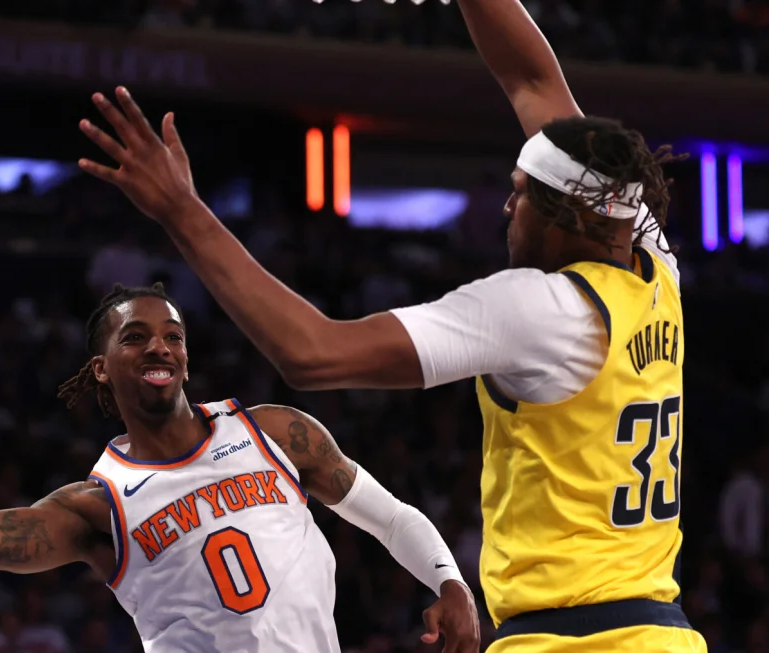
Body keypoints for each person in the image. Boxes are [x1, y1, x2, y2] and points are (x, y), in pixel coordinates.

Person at [74, 1, 702, 650]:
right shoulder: (646, 256)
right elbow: (533, 84)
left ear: (561, 217)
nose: (507, 207)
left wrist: (182, 210)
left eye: (519, 194)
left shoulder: (538, 308)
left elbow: (311, 354)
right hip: (663, 632)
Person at [0, 283, 479, 653]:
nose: (159, 345)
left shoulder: (274, 431)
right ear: (101, 368)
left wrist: (449, 583)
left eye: (171, 334)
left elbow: (391, 519)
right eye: (135, 336)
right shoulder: (97, 504)